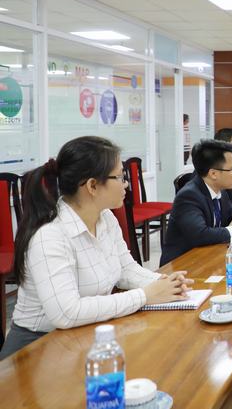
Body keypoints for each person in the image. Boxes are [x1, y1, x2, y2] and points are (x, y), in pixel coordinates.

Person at [0, 136, 192, 360]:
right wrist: (144, 296)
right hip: (37, 348)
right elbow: (67, 313)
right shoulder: (50, 236)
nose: (126, 184)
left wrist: (164, 283)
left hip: (81, 336)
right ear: (92, 185)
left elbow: (126, 269)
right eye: (120, 177)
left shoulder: (105, 218)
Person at [160, 139, 232, 266]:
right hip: (182, 265)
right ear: (213, 173)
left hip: (209, 256)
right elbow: (200, 234)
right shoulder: (189, 196)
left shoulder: (220, 190)